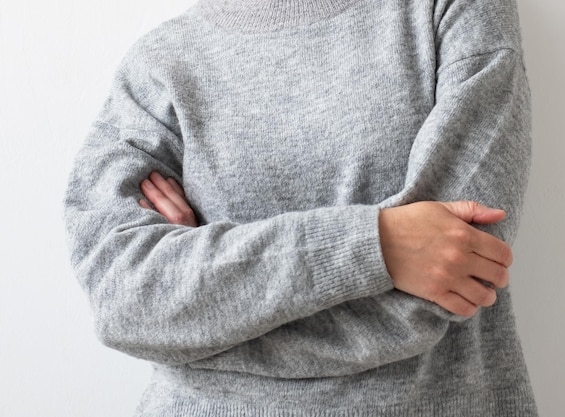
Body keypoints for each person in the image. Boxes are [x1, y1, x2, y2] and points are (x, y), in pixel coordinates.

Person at [64, 0, 538, 415]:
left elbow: (459, 270)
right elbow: (122, 301)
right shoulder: (160, 64)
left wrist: (194, 321)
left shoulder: (452, 9)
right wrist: (376, 247)